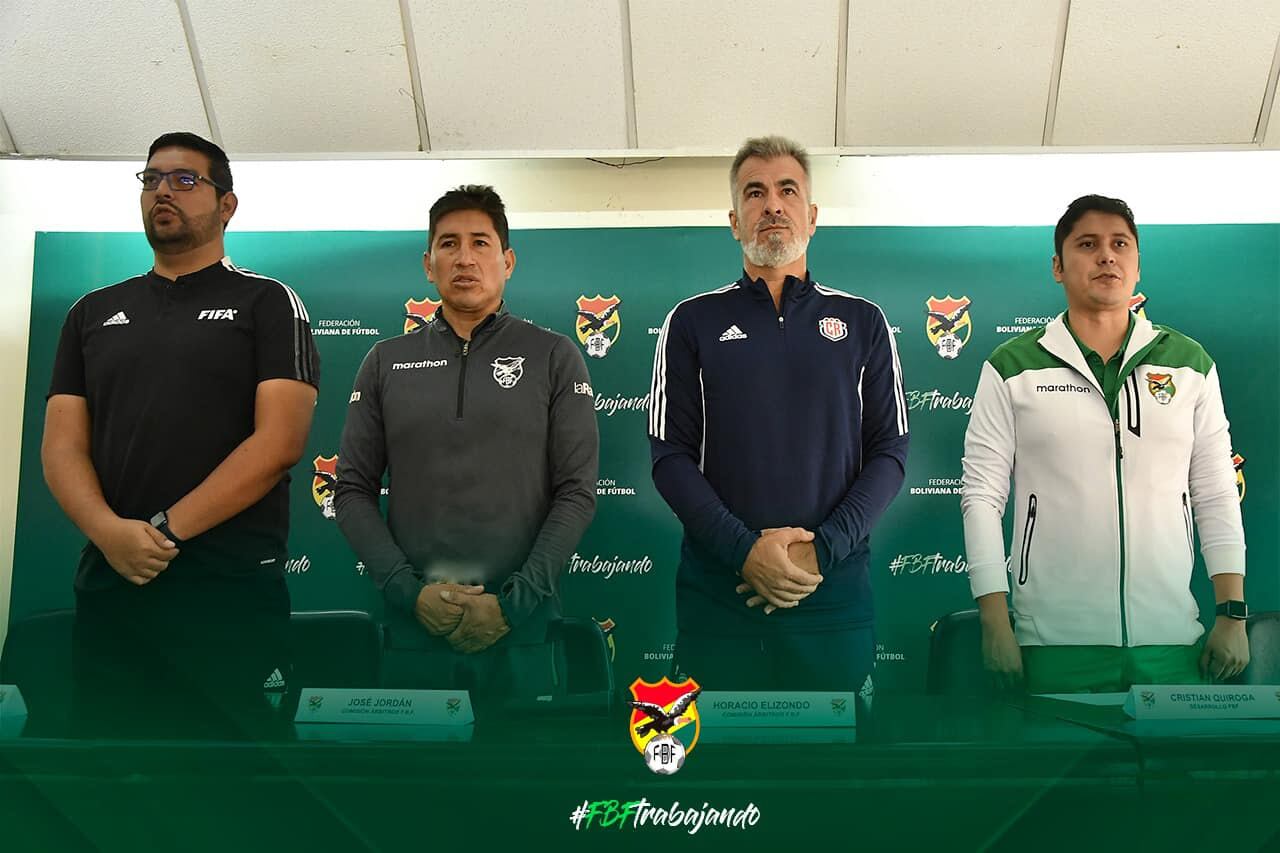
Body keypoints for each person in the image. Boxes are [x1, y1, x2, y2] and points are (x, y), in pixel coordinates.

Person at [42, 132, 320, 736]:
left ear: (227, 205)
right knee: (113, 789)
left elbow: (279, 444)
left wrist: (162, 534)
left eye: (184, 179)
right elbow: (62, 447)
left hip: (229, 594)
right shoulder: (89, 312)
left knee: (236, 793)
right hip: (113, 588)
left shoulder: (268, 303)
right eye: (151, 179)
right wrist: (112, 535)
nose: (162, 191)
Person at [647, 136, 909, 691]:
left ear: (811, 217)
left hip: (832, 600)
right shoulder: (690, 322)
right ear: (734, 222)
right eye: (755, 193)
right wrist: (744, 553)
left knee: (837, 777)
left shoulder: (864, 322)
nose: (772, 205)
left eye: (788, 190)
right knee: (721, 777)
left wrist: (822, 550)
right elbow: (670, 459)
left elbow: (890, 452)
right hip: (721, 605)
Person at [962, 194, 1249, 693]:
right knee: (1058, 773)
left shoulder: (1190, 363)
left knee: (1165, 773)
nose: (1107, 256)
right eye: (1088, 244)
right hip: (1050, 646)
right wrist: (994, 621)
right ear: (1058, 266)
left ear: (1137, 266)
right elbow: (981, 499)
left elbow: (1217, 492)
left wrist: (1232, 614)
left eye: (1120, 244)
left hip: (1172, 642)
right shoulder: (1011, 367)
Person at [334, 185, 598, 704]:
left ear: (508, 260)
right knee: (417, 788)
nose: (465, 258)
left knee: (522, 784)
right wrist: (411, 596)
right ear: (428, 264)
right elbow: (349, 491)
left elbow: (577, 492)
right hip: (413, 637)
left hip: (523, 636)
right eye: (449, 244)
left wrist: (511, 606)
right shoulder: (386, 361)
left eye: (481, 243)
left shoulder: (554, 355)